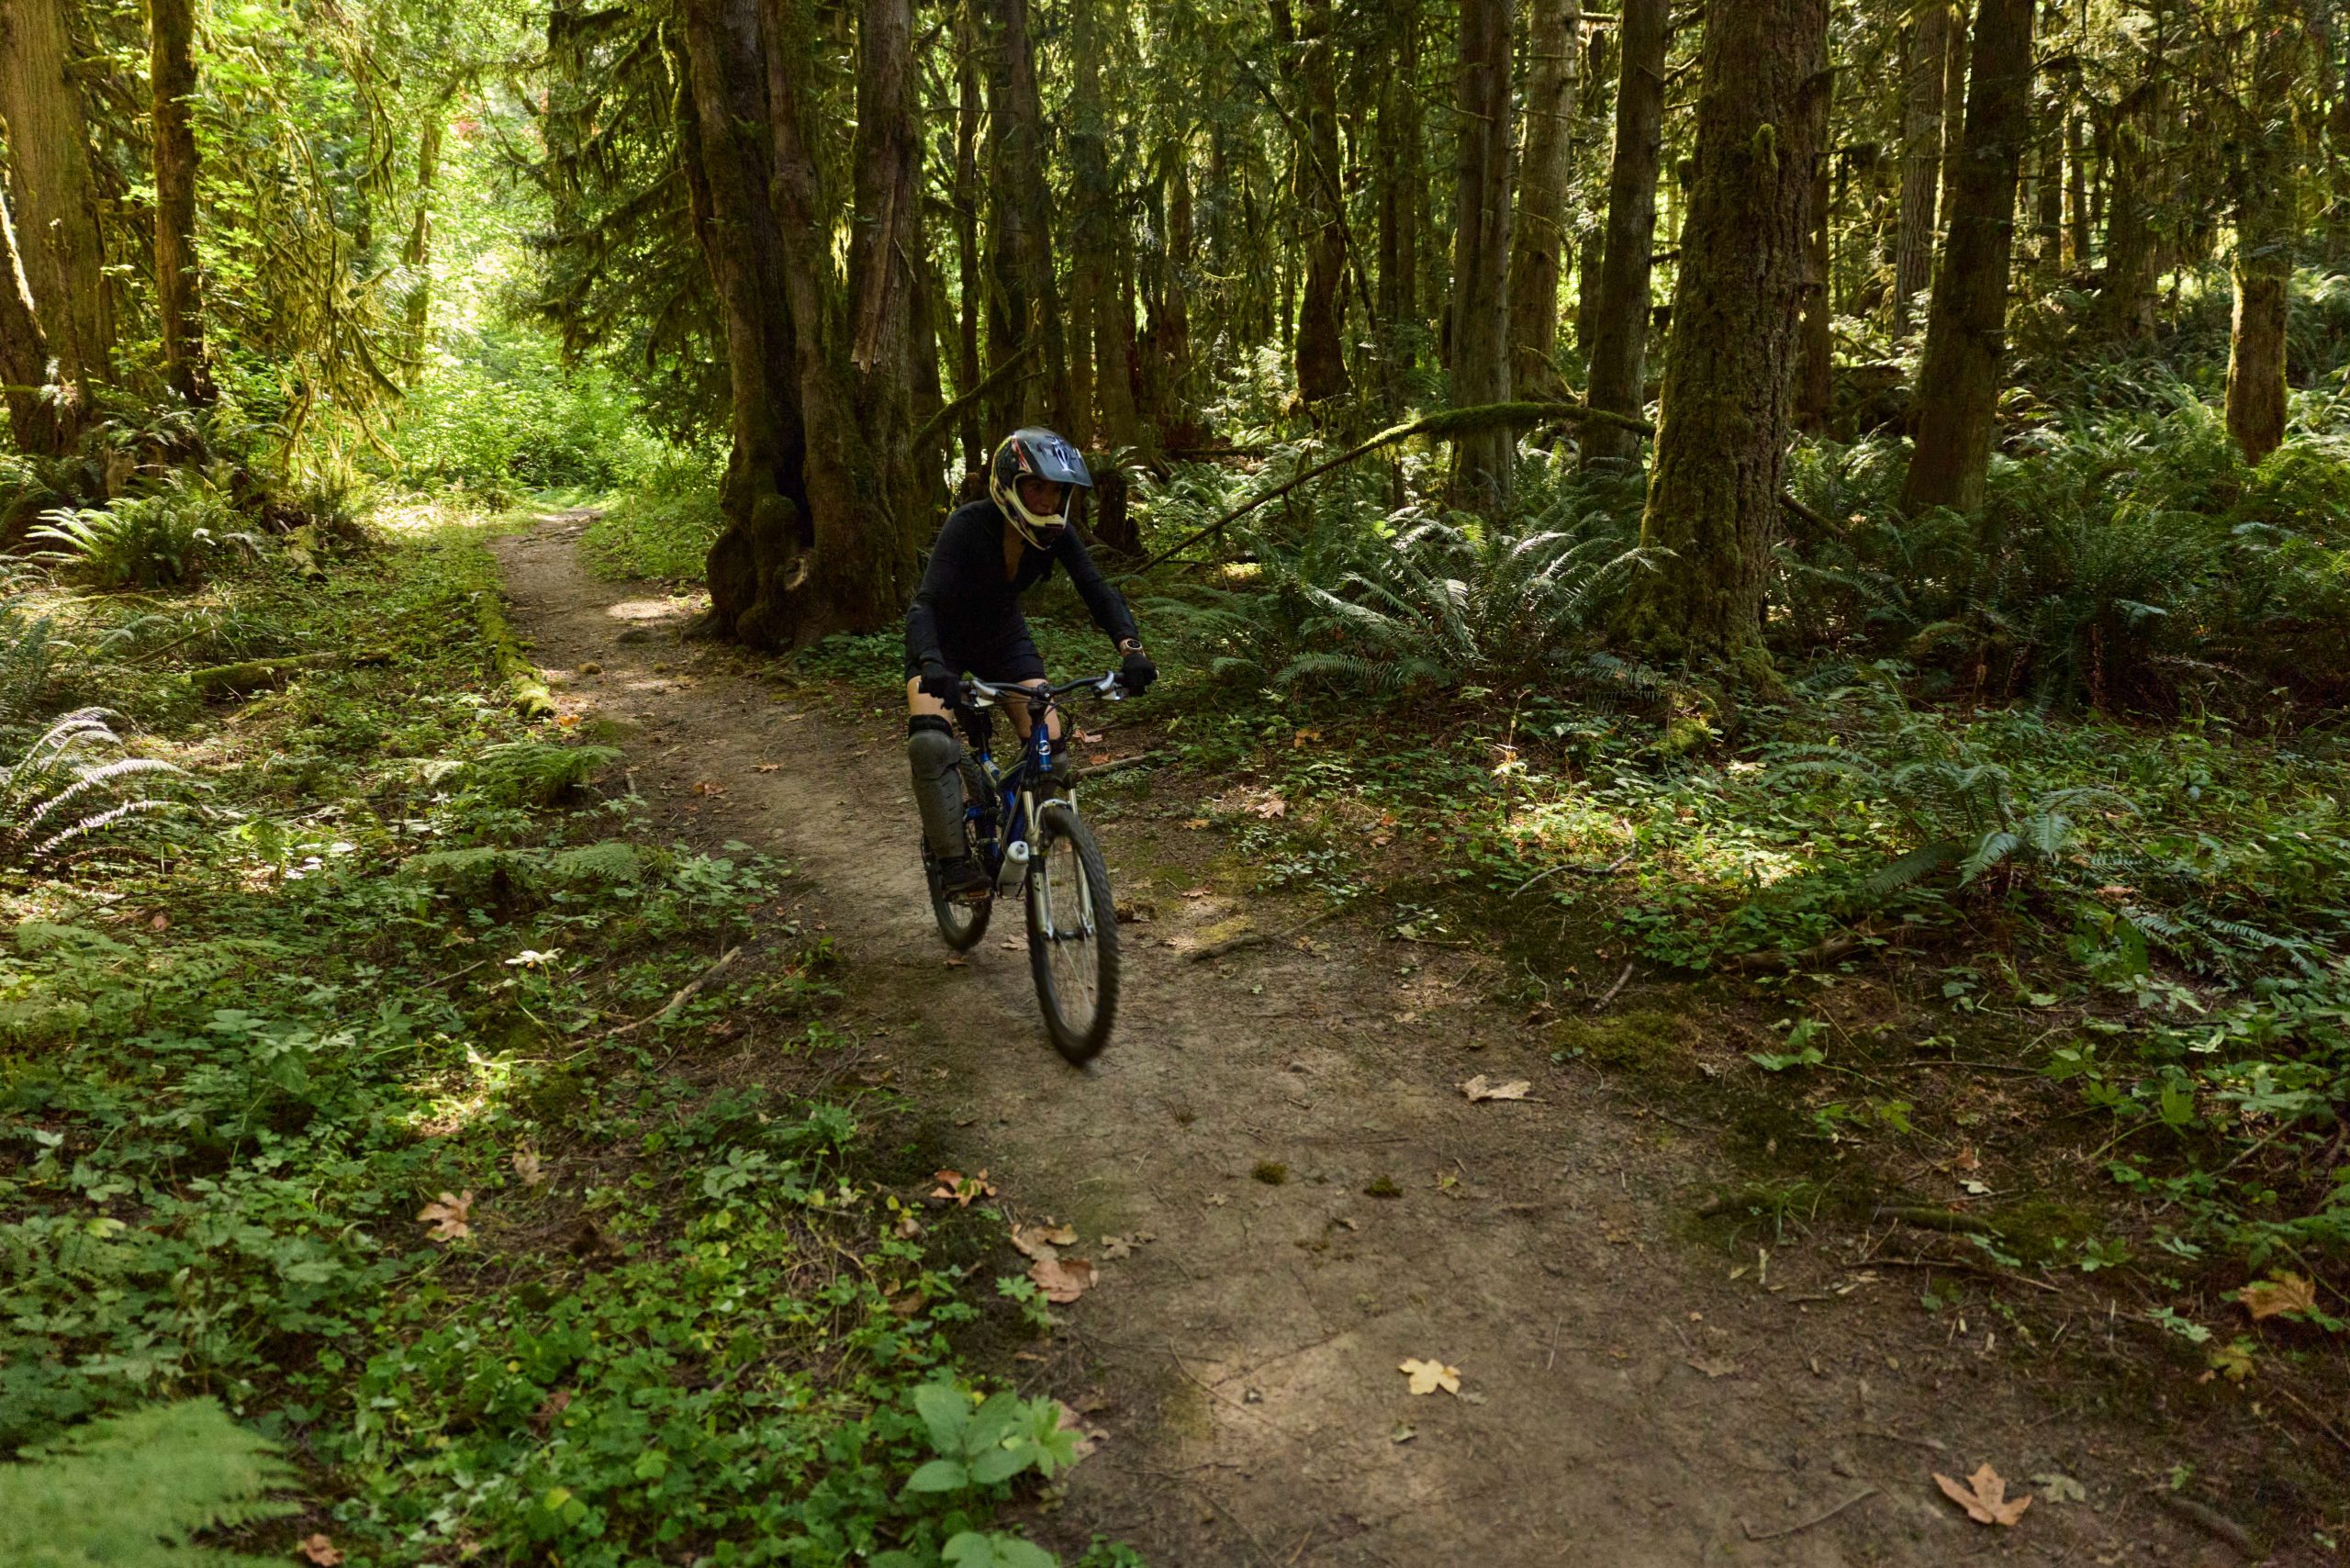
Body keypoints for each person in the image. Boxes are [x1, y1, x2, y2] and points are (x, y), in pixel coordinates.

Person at [905, 427, 1156, 899]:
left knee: (1052, 752)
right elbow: (926, 604)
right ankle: (954, 865)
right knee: (931, 745)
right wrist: (932, 663)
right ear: (1009, 485)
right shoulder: (967, 524)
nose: (1047, 499)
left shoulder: (1057, 536)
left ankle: (1024, 838)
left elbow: (1097, 591)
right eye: (1036, 486)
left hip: (1003, 638)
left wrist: (1132, 650)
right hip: (942, 642)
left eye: (1057, 490)